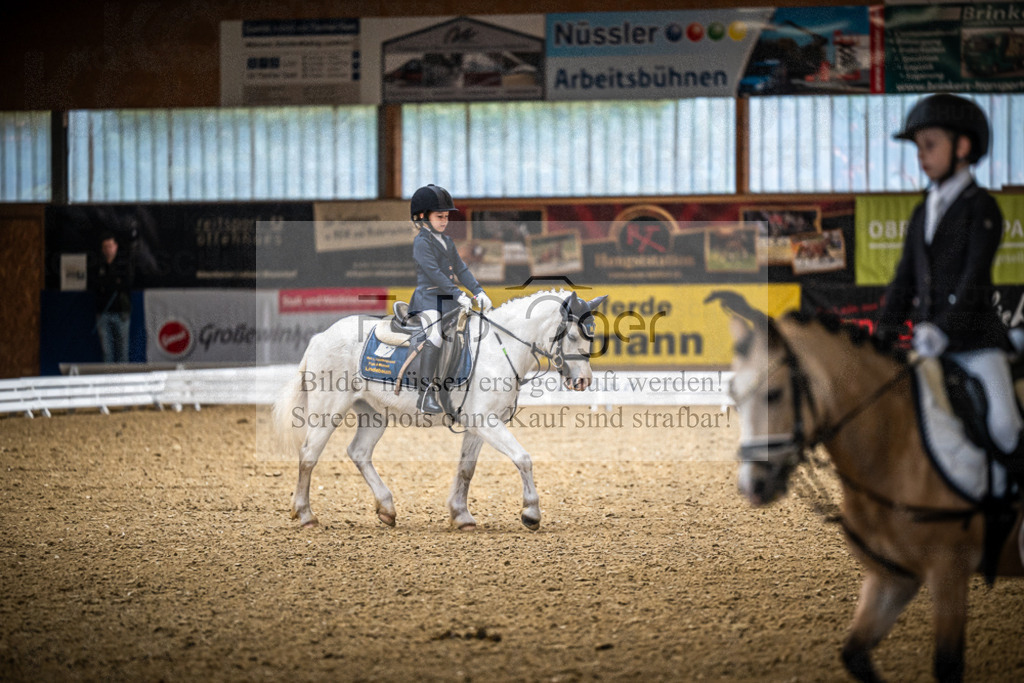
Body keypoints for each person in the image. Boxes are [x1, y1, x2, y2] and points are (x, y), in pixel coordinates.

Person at [877, 93, 1022, 469]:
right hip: (928, 345)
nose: (921, 156)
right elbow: (904, 280)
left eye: (929, 145)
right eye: (918, 148)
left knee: (1005, 426)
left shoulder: (981, 207)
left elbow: (974, 278)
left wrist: (942, 329)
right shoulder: (923, 209)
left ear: (962, 146)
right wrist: (881, 337)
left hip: (975, 344)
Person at [408, 184, 492, 414]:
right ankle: (425, 395)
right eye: (439, 216)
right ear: (423, 217)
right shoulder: (421, 242)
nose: (444, 221)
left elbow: (462, 270)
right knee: (435, 336)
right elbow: (434, 272)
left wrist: (478, 291)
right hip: (428, 300)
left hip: (450, 301)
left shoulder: (448, 242)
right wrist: (458, 294)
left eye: (446, 216)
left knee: (470, 333)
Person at [92, 231, 134, 363]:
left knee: (122, 350)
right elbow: (96, 284)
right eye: (105, 247)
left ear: (115, 246)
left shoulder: (124, 264)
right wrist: (113, 282)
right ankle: (108, 381)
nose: (108, 249)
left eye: (110, 246)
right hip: (103, 312)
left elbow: (127, 284)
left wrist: (111, 284)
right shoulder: (98, 265)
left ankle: (123, 382)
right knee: (107, 352)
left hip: (121, 312)